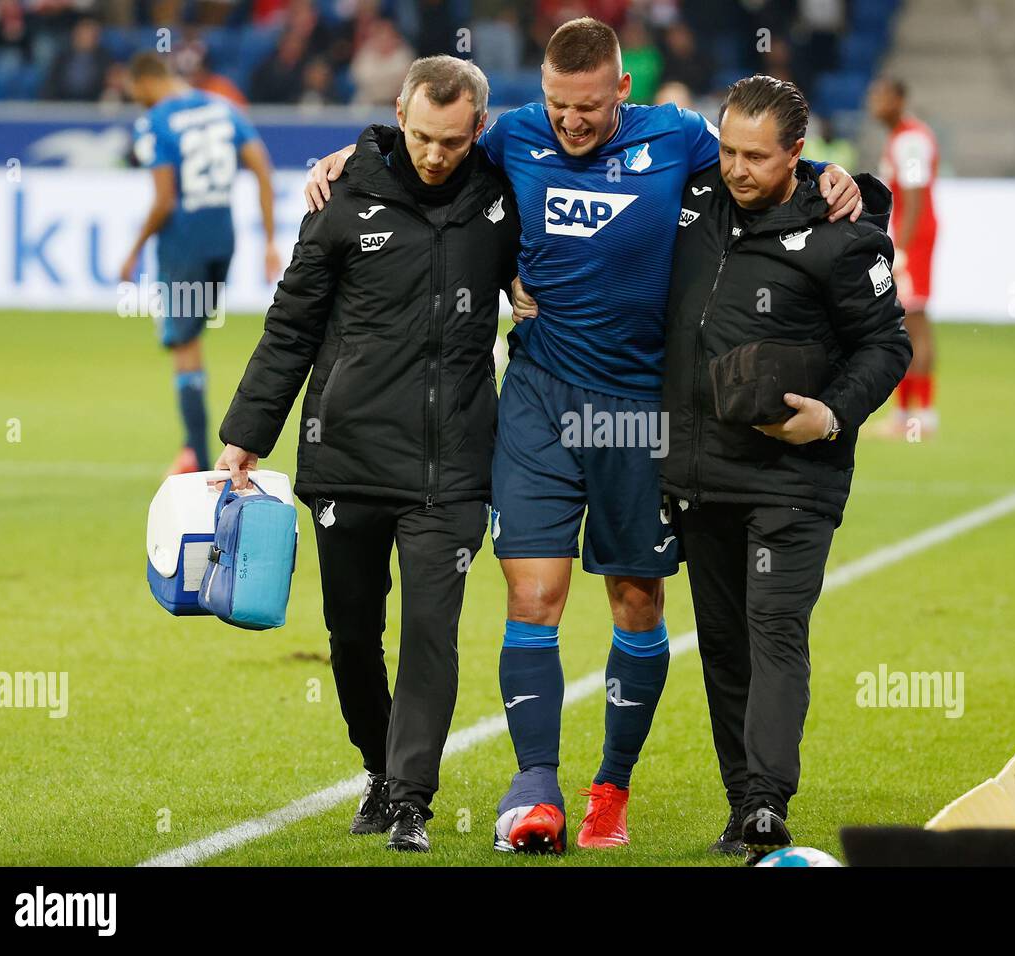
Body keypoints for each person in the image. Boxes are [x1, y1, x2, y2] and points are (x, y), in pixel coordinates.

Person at [305, 16, 865, 856]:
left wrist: (831, 175)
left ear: (623, 90)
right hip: (537, 393)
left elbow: (766, 161)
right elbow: (435, 142)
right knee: (532, 593)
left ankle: (611, 787)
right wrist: (359, 151)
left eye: (590, 108)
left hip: (639, 408)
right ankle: (535, 789)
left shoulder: (677, 137)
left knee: (636, 602)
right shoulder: (516, 136)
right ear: (542, 91)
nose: (572, 123)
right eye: (561, 105)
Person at [215, 56, 521, 854]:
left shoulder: (502, 192)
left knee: (431, 630)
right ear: (398, 114)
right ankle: (378, 768)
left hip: (452, 465)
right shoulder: (343, 193)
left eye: (452, 142)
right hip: (344, 453)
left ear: (477, 129)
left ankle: (412, 796)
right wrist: (245, 435)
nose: (433, 155)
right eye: (421, 136)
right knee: (352, 636)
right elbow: (292, 325)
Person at [660, 75, 911, 863]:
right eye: (728, 150)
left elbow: (887, 346)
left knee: (773, 628)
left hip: (794, 477)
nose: (736, 169)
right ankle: (742, 802)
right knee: (723, 641)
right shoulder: (691, 200)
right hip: (701, 471)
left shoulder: (843, 235)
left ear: (799, 155)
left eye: (756, 158)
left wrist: (831, 415)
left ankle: (768, 800)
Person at [120, 52, 280, 476]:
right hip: (223, 242)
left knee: (184, 347)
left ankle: (195, 451)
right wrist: (268, 241)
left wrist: (134, 248)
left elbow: (165, 200)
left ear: (144, 82)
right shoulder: (222, 107)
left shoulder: (154, 121)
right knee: (193, 338)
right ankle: (194, 445)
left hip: (183, 245)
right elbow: (263, 170)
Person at [866, 75, 939, 438]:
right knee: (907, 323)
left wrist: (904, 251)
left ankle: (921, 418)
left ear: (897, 99)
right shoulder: (901, 137)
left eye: (879, 96)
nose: (873, 103)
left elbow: (913, 197)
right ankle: (908, 414)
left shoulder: (910, 140)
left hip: (916, 238)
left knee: (915, 323)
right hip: (913, 236)